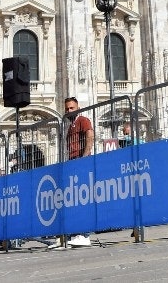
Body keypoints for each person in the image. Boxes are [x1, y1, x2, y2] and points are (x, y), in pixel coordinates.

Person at [63, 97, 94, 248]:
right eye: (67, 108)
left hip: (81, 163)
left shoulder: (83, 120)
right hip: (73, 163)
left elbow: (90, 137)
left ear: (78, 107)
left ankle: (85, 235)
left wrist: (84, 158)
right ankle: (76, 233)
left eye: (72, 108)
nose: (69, 111)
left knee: (83, 200)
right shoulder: (70, 126)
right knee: (75, 200)